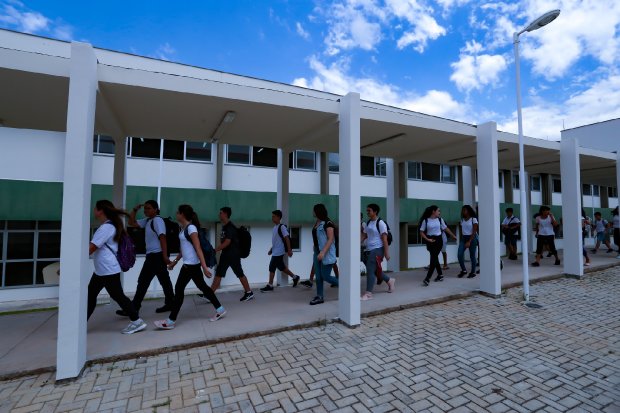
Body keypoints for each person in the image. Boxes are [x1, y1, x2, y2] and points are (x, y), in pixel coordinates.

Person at [154, 205, 225, 329]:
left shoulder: (191, 228)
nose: (176, 214)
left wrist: (204, 267)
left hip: (191, 266)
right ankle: (220, 309)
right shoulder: (184, 228)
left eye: (177, 212)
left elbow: (198, 248)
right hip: (189, 265)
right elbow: (184, 249)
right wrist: (175, 262)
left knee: (179, 290)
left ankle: (171, 321)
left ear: (182, 214)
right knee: (202, 287)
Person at [87, 200, 146, 334]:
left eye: (95, 208)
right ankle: (79, 324)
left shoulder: (106, 228)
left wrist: (71, 265)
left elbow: (91, 248)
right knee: (91, 296)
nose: (93, 210)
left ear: (100, 210)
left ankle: (137, 321)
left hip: (108, 270)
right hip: (103, 270)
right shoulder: (110, 226)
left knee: (118, 296)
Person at [116, 200, 175, 317]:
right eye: (145, 208)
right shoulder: (148, 221)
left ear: (155, 209)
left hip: (156, 256)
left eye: (148, 208)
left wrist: (164, 256)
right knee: (162, 280)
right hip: (152, 256)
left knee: (143, 281)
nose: (145, 210)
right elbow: (131, 223)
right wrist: (134, 210)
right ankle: (170, 303)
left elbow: (162, 238)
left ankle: (134, 308)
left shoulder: (157, 221)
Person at [210, 207, 254, 301]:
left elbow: (227, 242)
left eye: (221, 213)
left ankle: (249, 292)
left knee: (232, 273)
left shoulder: (230, 227)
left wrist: (215, 250)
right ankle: (249, 292)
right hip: (228, 254)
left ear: (225, 214)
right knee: (221, 273)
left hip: (231, 254)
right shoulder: (225, 226)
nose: (219, 214)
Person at [360, 204, 395, 300]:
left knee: (370, 270)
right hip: (368, 249)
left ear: (375, 212)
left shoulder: (380, 223)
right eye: (367, 210)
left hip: (378, 249)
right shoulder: (368, 222)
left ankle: (368, 294)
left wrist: (387, 253)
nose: (367, 212)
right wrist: (357, 243)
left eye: (369, 210)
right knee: (375, 270)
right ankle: (389, 281)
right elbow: (365, 235)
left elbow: (385, 239)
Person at [260, 210, 300, 292]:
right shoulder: (274, 228)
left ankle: (270, 285)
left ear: (278, 217)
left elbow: (287, 238)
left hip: (279, 252)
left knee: (272, 266)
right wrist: (271, 249)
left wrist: (289, 250)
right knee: (282, 267)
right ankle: (295, 277)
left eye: (273, 216)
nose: (272, 217)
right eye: (272, 216)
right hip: (275, 251)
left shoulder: (282, 227)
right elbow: (275, 241)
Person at [309, 204, 339, 305]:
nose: (312, 212)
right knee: (318, 277)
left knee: (326, 276)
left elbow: (331, 239)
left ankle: (346, 287)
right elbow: (317, 237)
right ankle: (319, 296)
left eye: (313, 210)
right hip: (318, 251)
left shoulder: (328, 223)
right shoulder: (317, 222)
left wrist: (323, 252)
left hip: (326, 252)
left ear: (318, 211)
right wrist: (315, 247)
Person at [420, 206, 457, 286]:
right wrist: (427, 239)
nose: (439, 212)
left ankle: (427, 278)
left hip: (438, 240)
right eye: (438, 211)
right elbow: (421, 232)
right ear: (433, 211)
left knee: (433, 258)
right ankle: (440, 275)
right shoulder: (425, 220)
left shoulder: (440, 220)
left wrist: (453, 235)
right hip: (430, 240)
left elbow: (446, 228)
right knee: (434, 258)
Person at [457, 205, 479, 279]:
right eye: (462, 210)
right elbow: (462, 231)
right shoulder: (462, 220)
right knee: (459, 254)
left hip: (472, 238)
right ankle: (463, 270)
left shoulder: (473, 219)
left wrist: (469, 241)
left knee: (472, 256)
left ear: (469, 211)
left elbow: (474, 231)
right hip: (464, 238)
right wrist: (462, 240)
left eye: (465, 210)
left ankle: (473, 272)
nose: (463, 211)